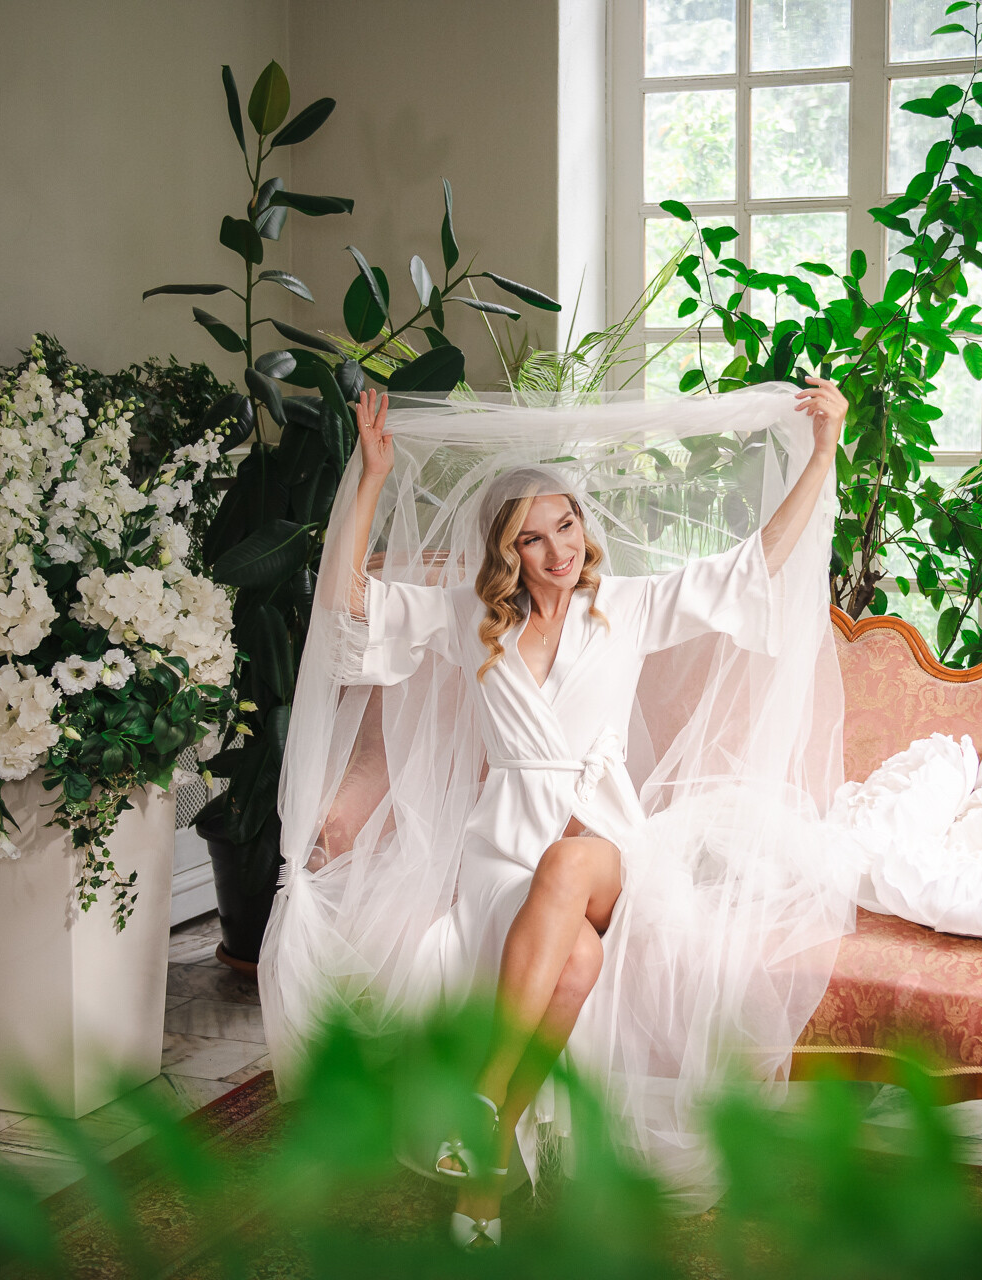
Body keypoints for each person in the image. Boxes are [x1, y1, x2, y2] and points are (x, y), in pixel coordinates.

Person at [258, 380, 856, 1245]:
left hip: (601, 843)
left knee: (569, 864)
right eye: (531, 538)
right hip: (502, 851)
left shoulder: (628, 607)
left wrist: (824, 452)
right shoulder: (470, 620)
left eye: (566, 526)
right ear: (505, 552)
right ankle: (487, 1170)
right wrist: (373, 477)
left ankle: (480, 1095)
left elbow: (753, 565)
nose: (557, 550)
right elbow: (350, 604)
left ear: (584, 525)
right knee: (573, 963)